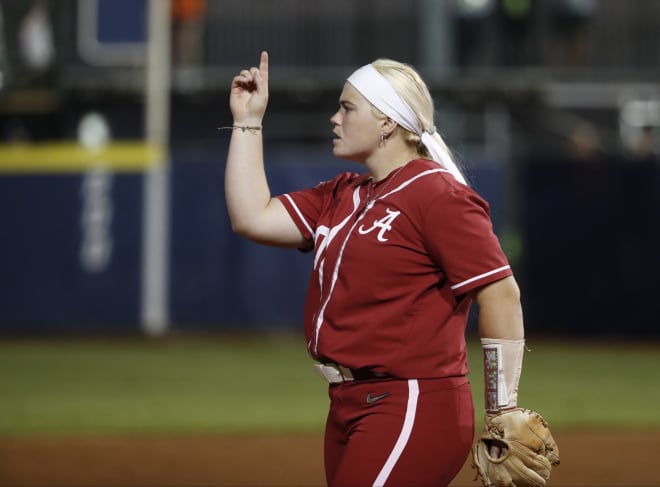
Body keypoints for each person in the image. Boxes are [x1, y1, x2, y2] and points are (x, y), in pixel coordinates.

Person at [224, 52, 527, 487]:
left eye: (348, 108)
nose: (334, 118)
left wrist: (502, 411)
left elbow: (501, 293)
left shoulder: (436, 194)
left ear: (388, 121)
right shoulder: (343, 195)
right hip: (347, 402)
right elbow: (251, 216)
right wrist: (248, 121)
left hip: (412, 403)